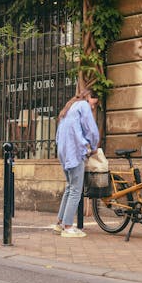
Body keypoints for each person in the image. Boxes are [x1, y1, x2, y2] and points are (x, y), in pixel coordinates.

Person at [54, 89, 100, 238]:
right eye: (95, 102)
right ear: (89, 98)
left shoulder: (69, 107)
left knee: (69, 188)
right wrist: (93, 147)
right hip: (74, 153)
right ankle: (68, 227)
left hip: (64, 152)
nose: (93, 107)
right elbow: (92, 130)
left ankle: (59, 223)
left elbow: (58, 135)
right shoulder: (83, 106)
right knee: (75, 190)